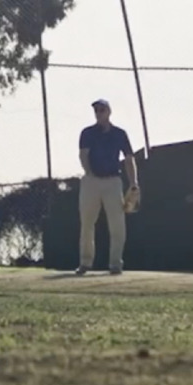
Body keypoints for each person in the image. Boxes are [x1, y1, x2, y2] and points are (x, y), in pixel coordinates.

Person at [76, 98, 139, 276]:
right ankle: (85, 263)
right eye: (96, 111)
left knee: (117, 224)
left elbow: (128, 158)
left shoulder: (119, 133)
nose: (99, 113)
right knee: (87, 223)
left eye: (102, 110)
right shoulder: (87, 133)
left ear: (109, 112)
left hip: (113, 181)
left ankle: (115, 264)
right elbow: (83, 155)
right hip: (91, 181)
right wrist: (90, 173)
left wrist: (134, 182)